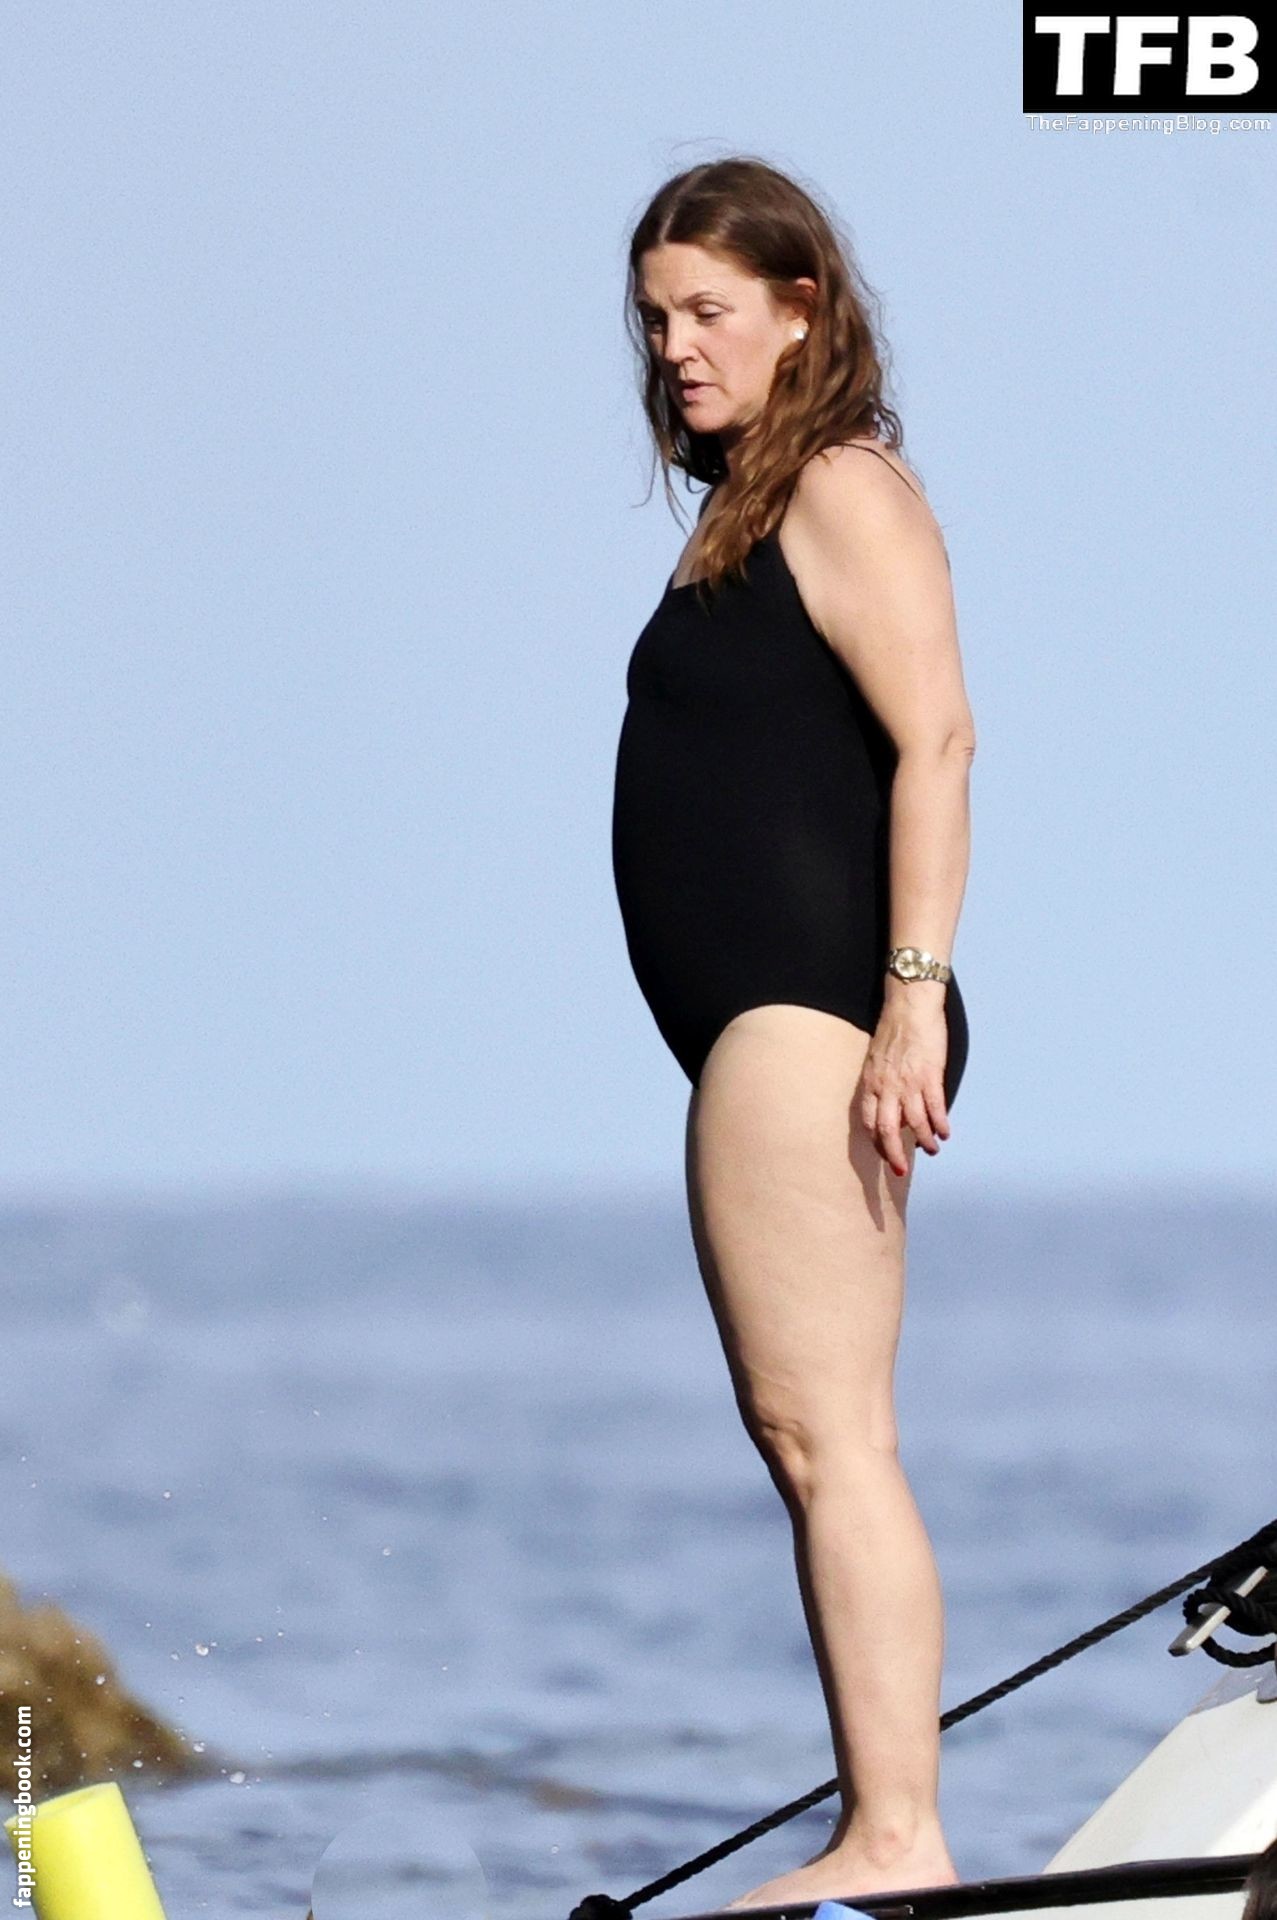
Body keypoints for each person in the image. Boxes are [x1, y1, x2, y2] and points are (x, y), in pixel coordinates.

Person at [610, 157, 977, 1909]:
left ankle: (896, 1838)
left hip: (816, 1009)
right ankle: (882, 1823)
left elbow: (939, 740)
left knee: (833, 1434)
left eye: (708, 311)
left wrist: (907, 998)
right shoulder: (749, 507)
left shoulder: (838, 482)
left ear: (799, 309)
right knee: (805, 1433)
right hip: (779, 1019)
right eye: (654, 320)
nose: (675, 347)